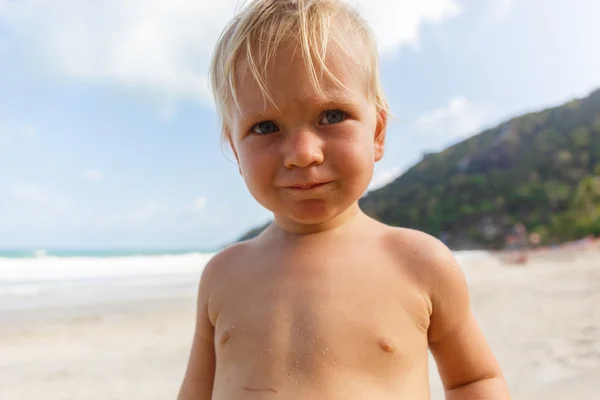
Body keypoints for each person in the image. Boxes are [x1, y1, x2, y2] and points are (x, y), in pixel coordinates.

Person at [178, 0, 510, 398]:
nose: (303, 153)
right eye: (265, 126)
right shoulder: (222, 275)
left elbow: (473, 380)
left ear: (377, 134)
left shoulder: (419, 262)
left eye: (332, 116)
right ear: (235, 150)